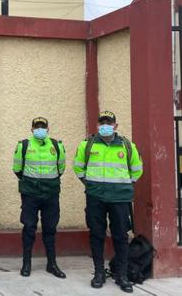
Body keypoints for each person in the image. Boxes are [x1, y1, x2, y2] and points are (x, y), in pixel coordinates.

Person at [74, 111, 143, 293]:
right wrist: (90, 185)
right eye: (102, 122)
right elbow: (78, 167)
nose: (105, 125)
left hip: (120, 198)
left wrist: (125, 186)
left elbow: (137, 169)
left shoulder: (127, 145)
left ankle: (122, 275)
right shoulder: (87, 144)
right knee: (97, 235)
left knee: (120, 236)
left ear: (115, 126)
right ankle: (99, 273)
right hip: (96, 197)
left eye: (109, 122)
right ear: (97, 125)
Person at [12, 117, 66, 278]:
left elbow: (61, 168)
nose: (40, 129)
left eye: (43, 126)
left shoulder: (57, 145)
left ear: (48, 129)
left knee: (50, 228)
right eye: (37, 126)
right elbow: (17, 169)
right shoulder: (24, 145)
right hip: (30, 193)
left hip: (51, 193)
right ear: (32, 129)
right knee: (29, 228)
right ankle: (26, 263)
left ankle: (52, 264)